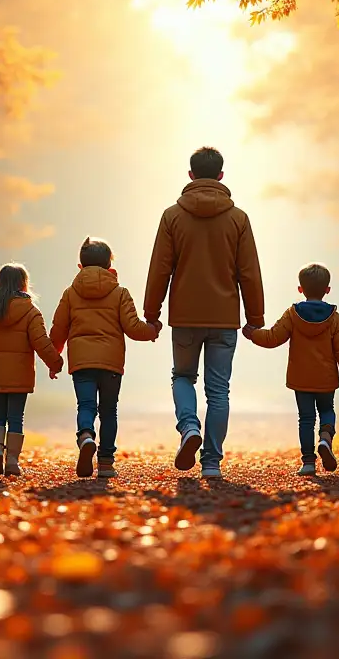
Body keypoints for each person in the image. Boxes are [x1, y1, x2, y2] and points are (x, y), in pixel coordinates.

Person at [144, 146, 264, 479]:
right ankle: (211, 462)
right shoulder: (238, 219)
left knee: (182, 377)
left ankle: (188, 428)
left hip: (184, 317)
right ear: (221, 176)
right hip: (224, 318)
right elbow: (249, 272)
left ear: (191, 175)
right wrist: (255, 320)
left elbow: (160, 269)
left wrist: (151, 314)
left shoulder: (172, 216)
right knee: (219, 390)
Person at [50, 238, 160, 479]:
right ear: (110, 266)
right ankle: (106, 464)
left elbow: (58, 330)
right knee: (109, 410)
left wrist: (54, 360)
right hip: (111, 363)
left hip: (81, 362)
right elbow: (133, 328)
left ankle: (86, 435)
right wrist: (152, 330)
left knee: (86, 406)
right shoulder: (120, 293)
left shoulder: (70, 294)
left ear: (80, 267)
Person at [243, 263, 339, 476]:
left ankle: (308, 462)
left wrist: (253, 334)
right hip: (326, 379)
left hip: (301, 379)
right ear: (327, 290)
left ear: (300, 289)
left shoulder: (292, 315)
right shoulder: (335, 319)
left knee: (306, 418)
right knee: (327, 410)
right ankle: (325, 437)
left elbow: (273, 337)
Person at [0, 263, 63, 476]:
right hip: (20, 374)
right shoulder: (30, 311)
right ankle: (11, 460)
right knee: (16, 417)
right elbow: (41, 342)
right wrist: (55, 364)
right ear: (23, 283)